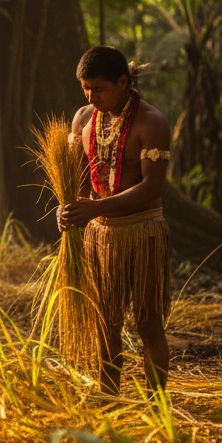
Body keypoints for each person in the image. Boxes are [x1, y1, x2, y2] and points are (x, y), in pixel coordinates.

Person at [57, 46, 172, 394]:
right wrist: (69, 211)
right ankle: (109, 401)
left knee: (148, 324)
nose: (92, 97)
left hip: (143, 232)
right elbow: (76, 182)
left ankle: (157, 409)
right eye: (86, 89)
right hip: (100, 238)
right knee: (104, 323)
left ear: (123, 82)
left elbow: (152, 186)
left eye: (99, 88)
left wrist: (96, 208)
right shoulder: (82, 120)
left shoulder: (151, 123)